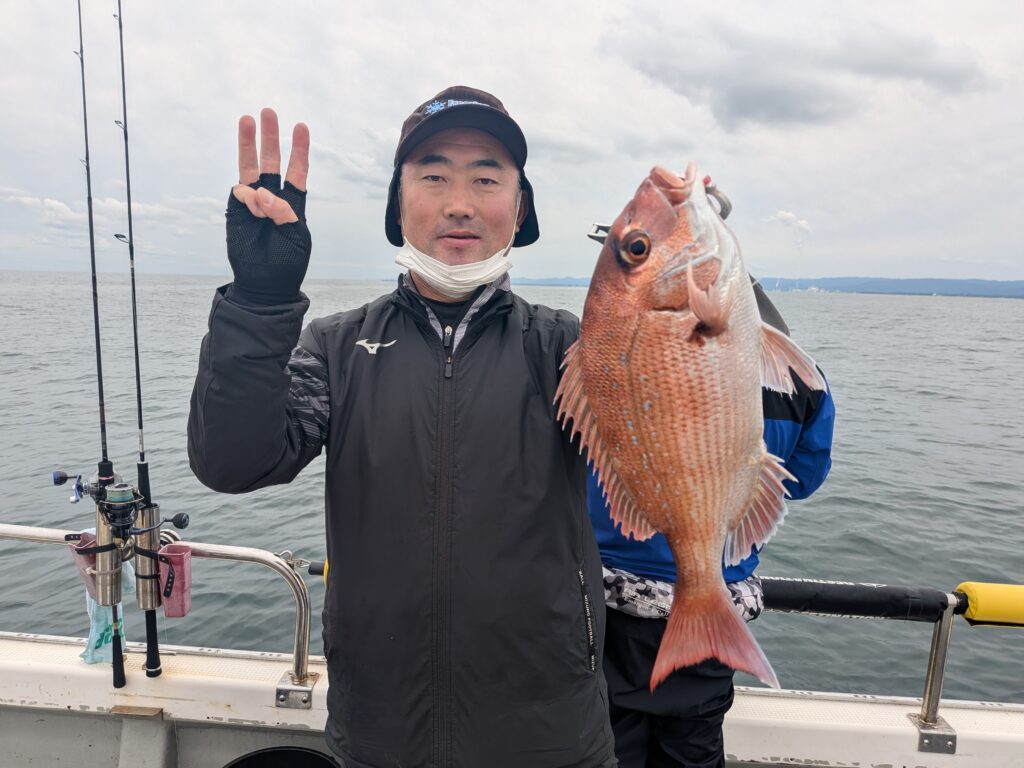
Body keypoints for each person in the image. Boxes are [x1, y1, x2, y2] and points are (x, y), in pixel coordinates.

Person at [187, 86, 617, 768]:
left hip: (555, 736)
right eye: (434, 176)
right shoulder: (335, 348)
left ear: (520, 208)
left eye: (486, 178)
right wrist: (260, 300)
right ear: (397, 203)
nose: (459, 203)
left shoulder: (571, 349)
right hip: (379, 735)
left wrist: (700, 289)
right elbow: (233, 462)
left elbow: (671, 459)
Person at [588, 282, 835, 768]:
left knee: (607, 742)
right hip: (715, 603)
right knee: (694, 744)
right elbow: (802, 480)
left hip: (610, 603)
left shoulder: (615, 358)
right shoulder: (802, 378)